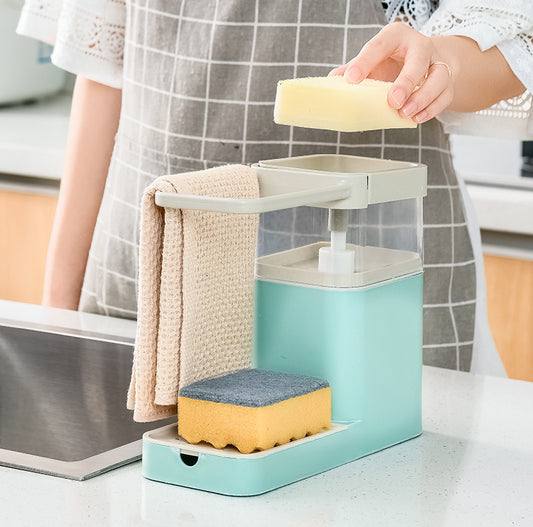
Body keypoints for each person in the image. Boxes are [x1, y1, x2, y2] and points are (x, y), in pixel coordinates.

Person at [16, 0, 532, 375]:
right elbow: (102, 69)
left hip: (367, 292)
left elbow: (514, 37)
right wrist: (56, 317)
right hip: (144, 283)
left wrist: (442, 60)